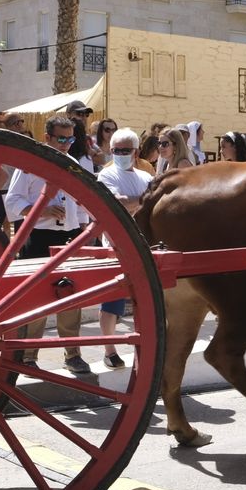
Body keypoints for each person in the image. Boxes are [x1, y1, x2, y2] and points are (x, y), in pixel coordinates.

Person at [5, 115, 90, 374]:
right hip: (38, 237)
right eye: (61, 139)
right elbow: (13, 201)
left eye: (70, 139)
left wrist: (84, 229)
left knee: (72, 295)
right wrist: (41, 210)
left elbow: (82, 200)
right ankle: (29, 355)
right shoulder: (30, 164)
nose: (66, 144)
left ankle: (72, 353)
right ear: (47, 137)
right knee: (36, 298)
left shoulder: (73, 163)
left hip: (69, 235)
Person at [96, 128, 153, 369]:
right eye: (115, 150)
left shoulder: (146, 177)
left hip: (145, 244)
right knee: (113, 301)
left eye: (124, 150)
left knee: (147, 300)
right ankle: (109, 350)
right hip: (116, 245)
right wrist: (144, 200)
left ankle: (149, 347)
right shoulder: (106, 175)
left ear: (136, 152)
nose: (119, 154)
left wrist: (138, 202)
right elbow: (117, 204)